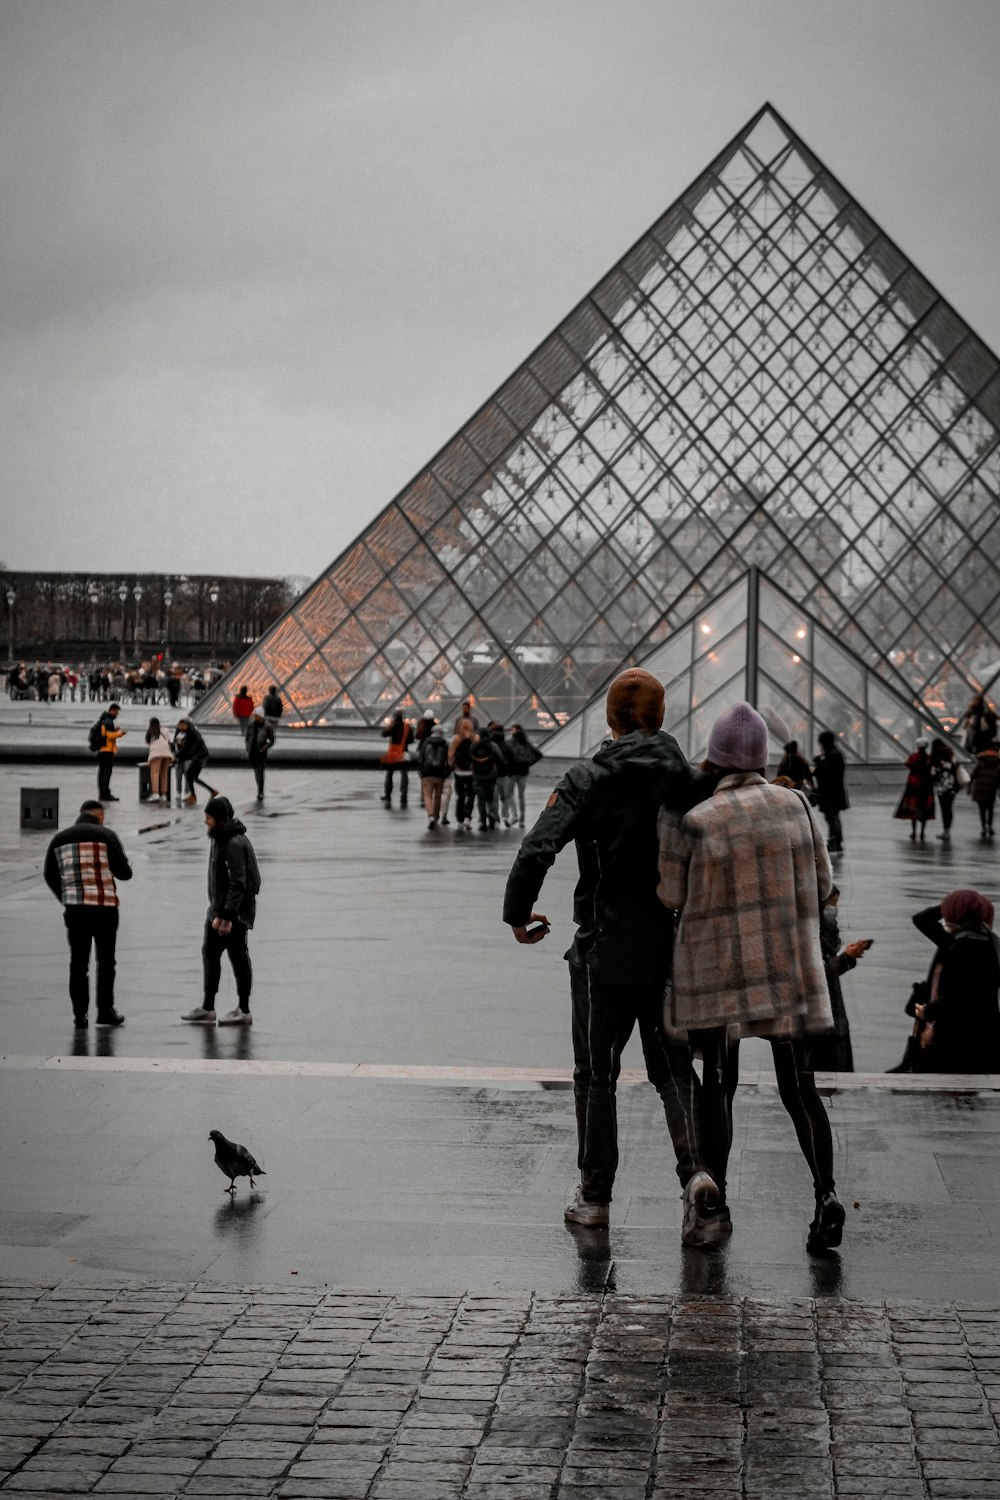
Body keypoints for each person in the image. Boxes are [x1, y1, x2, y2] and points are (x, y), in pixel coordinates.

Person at [504, 668, 726, 1246]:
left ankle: (596, 1198)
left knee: (596, 1074)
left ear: (611, 719)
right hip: (669, 949)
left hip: (603, 949)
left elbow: (537, 848)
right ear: (659, 718)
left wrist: (517, 912)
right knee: (674, 1072)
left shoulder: (590, 776)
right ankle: (697, 1178)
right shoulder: (688, 779)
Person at [657, 701, 845, 1255]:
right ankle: (826, 1194)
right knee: (800, 1090)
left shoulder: (698, 820)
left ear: (713, 759)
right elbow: (823, 886)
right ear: (763, 758)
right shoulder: (798, 806)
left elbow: (670, 895)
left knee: (718, 1087)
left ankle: (716, 1206)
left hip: (722, 975)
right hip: (790, 968)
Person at [44, 799, 132, 1027]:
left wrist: (65, 896)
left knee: (78, 964)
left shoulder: (59, 839)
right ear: (99, 816)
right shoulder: (107, 836)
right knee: (105, 962)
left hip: (76, 910)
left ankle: (79, 1015)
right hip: (105, 908)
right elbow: (124, 873)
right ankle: (105, 1011)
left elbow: (49, 873)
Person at [182, 795, 261, 1027]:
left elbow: (240, 883)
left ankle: (243, 1009)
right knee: (210, 954)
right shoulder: (219, 838)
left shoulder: (234, 843)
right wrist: (216, 912)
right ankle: (208, 1007)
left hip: (233, 914)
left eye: (208, 817)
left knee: (238, 958)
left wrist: (227, 917)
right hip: (217, 911)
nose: (205, 821)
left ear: (218, 819)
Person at [911, 890, 1000, 1073]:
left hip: (960, 1035)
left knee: (958, 1089)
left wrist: (927, 1013)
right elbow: (921, 920)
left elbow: (959, 994)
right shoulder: (974, 940)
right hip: (977, 1032)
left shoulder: (966, 945)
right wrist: (963, 903)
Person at [810, 885, 870, 1072]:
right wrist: (846, 958)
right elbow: (815, 976)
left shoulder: (826, 933)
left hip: (833, 1019)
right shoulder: (809, 936)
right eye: (832, 904)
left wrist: (847, 959)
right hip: (819, 1024)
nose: (834, 910)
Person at [812, 730, 848, 853]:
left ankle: (834, 841)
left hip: (831, 792)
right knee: (833, 817)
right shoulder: (835, 754)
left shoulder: (832, 755)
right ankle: (836, 841)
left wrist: (818, 763)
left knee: (832, 817)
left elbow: (824, 772)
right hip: (835, 791)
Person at [894, 737, 935, 840]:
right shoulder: (929, 758)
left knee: (913, 809)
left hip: (913, 785)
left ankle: (913, 832)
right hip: (926, 786)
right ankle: (922, 832)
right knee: (924, 809)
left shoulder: (913, 757)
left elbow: (908, 764)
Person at [173, 718, 217, 806]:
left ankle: (196, 795)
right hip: (198, 756)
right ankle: (209, 792)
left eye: (181, 726)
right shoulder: (186, 730)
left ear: (185, 725)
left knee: (190, 776)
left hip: (200, 756)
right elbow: (177, 741)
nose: (180, 728)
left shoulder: (191, 732)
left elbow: (187, 746)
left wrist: (176, 756)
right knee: (191, 776)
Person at [508, 724, 543, 829]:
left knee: (509, 794)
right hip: (523, 771)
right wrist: (529, 763)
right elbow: (539, 754)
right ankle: (522, 820)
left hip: (512, 771)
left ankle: (514, 815)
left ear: (516, 730)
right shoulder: (526, 742)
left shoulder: (511, 742)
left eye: (512, 729)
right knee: (521, 796)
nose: (511, 731)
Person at [417, 720, 450, 828]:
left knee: (427, 795)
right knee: (437, 796)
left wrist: (420, 770)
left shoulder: (426, 742)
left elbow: (421, 758)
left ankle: (430, 816)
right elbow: (448, 759)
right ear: (440, 733)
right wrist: (447, 772)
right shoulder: (445, 743)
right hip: (440, 773)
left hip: (427, 773)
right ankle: (436, 817)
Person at [470, 726, 505, 829]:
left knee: (481, 800)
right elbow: (500, 760)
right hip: (491, 777)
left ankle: (483, 821)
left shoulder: (474, 746)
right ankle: (491, 817)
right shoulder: (492, 746)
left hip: (478, 777)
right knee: (490, 799)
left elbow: (469, 759)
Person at [379, 710, 413, 806]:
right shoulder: (407, 727)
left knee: (389, 774)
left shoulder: (393, 726)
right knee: (404, 775)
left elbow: (383, 734)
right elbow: (411, 739)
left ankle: (388, 795)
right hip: (404, 753)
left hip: (394, 754)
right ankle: (404, 797)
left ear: (395, 718)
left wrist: (390, 725)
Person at [968, 742, 1000, 840]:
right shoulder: (998, 763)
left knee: (981, 808)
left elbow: (973, 775)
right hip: (991, 787)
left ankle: (983, 827)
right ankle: (990, 825)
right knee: (990, 808)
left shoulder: (981, 761)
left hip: (980, 787)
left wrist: (970, 785)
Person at [929, 738, 959, 843]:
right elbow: (956, 767)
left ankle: (945, 831)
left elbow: (933, 773)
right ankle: (948, 830)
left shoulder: (935, 757)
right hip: (952, 786)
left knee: (944, 809)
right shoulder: (951, 755)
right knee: (949, 808)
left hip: (941, 787)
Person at [449, 719, 476, 830]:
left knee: (460, 796)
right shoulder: (474, 738)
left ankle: (459, 818)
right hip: (471, 772)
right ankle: (467, 817)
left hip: (459, 772)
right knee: (471, 795)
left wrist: (453, 765)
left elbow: (451, 754)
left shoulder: (456, 738)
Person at [96, 703, 126, 801]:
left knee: (101, 773)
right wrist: (120, 733)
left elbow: (105, 733)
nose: (117, 714)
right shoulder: (108, 721)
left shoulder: (103, 720)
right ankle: (105, 794)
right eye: (116, 712)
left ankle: (102, 793)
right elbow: (109, 735)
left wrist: (114, 730)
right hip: (107, 750)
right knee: (106, 773)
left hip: (102, 749)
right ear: (112, 710)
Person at [245, 712, 275, 801]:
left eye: (256, 716)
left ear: (261, 716)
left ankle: (260, 791)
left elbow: (272, 740)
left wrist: (264, 748)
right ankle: (259, 787)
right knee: (256, 771)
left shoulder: (267, 726)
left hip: (261, 752)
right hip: (252, 751)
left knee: (260, 771)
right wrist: (247, 747)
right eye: (254, 716)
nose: (255, 718)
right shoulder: (251, 724)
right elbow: (248, 737)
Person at [144, 717, 174, 802]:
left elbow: (148, 743)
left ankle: (155, 793)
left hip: (156, 754)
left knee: (155, 773)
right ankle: (164, 794)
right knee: (164, 773)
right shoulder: (165, 730)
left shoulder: (150, 732)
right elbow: (171, 741)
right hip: (167, 753)